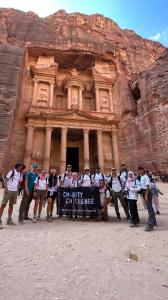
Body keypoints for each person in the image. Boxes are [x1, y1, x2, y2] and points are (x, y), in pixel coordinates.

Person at [0, 163, 25, 229]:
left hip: (14, 191)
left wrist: (17, 189)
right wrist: (6, 189)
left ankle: (9, 220)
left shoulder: (20, 174)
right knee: (3, 205)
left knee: (11, 205)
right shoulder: (12, 172)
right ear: (17, 166)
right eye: (20, 166)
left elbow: (19, 182)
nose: (20, 168)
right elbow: (5, 181)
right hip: (9, 190)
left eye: (22, 167)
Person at [138, 166, 157, 231]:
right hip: (144, 192)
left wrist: (146, 195)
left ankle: (150, 225)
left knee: (149, 208)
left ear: (143, 170)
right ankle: (154, 221)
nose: (140, 171)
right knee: (150, 207)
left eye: (141, 170)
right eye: (139, 171)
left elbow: (148, 186)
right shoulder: (141, 177)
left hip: (147, 192)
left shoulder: (146, 177)